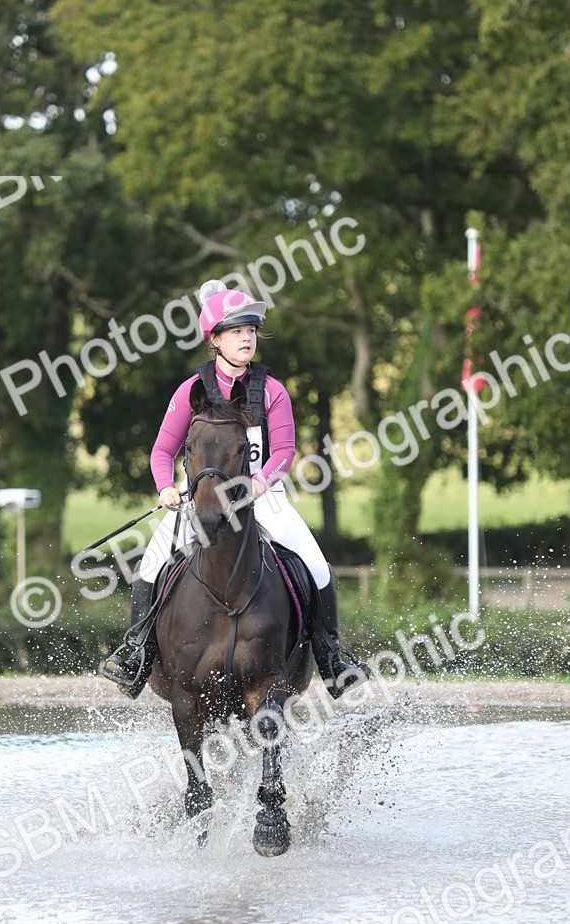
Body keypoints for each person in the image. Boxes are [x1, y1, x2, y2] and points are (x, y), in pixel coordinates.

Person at [100, 279, 369, 699]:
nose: (247, 338)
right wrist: (165, 487)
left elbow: (284, 450)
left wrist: (262, 482)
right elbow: (161, 450)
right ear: (215, 339)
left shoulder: (272, 391)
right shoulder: (191, 391)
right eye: (237, 331)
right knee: (149, 566)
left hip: (263, 501)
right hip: (203, 503)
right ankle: (137, 653)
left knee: (317, 566)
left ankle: (332, 657)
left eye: (251, 331)